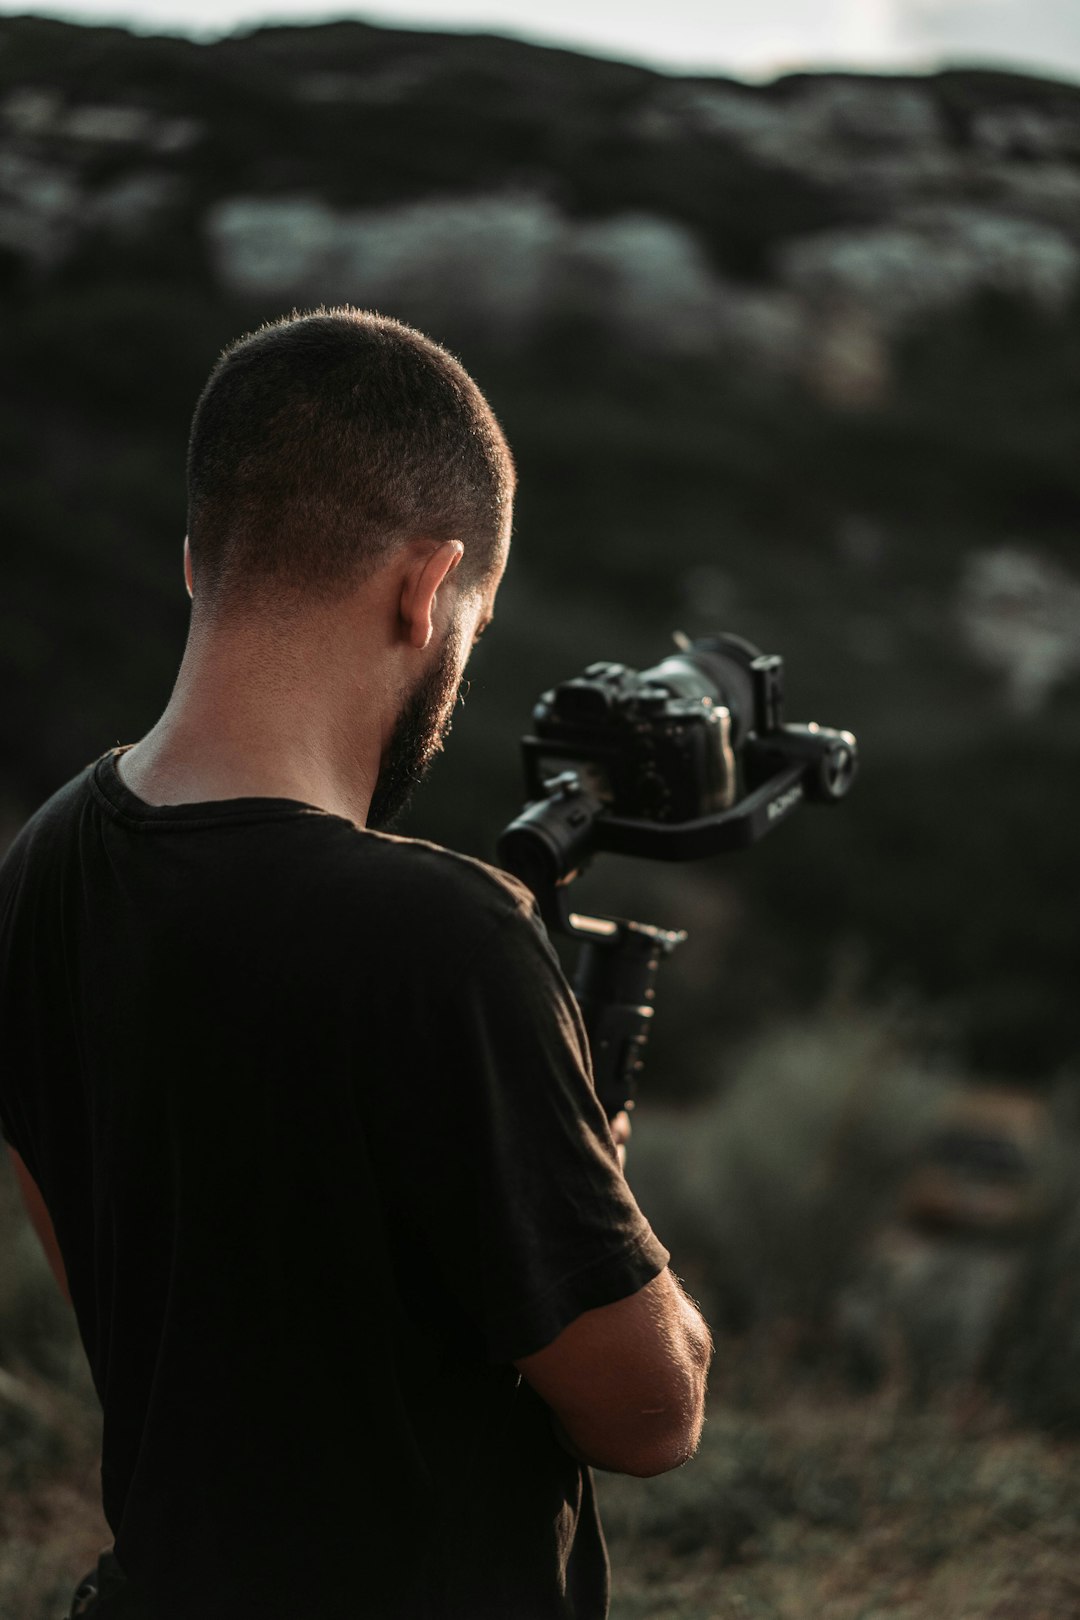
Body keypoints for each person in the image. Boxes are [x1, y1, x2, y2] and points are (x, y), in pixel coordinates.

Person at [0, 307, 712, 1620]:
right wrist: (586, 1169)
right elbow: (651, 1416)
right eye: (474, 621)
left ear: (195, 560)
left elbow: (123, 1275)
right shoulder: (441, 939)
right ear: (427, 585)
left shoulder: (39, 864)